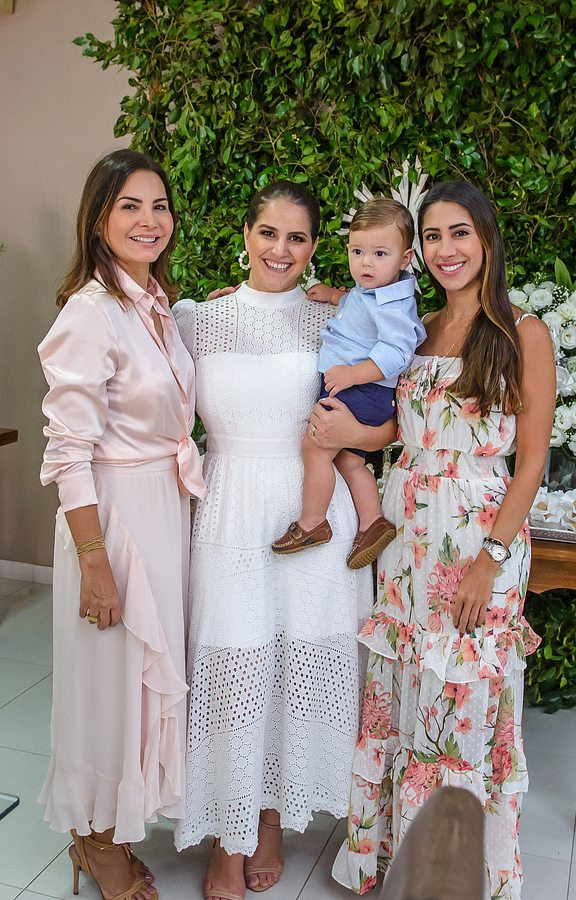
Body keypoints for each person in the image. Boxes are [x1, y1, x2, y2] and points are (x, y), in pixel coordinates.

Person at [330, 180, 556, 897]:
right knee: (403, 691)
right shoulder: (417, 327)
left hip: (478, 541)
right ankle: (396, 860)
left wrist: (489, 561)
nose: (445, 249)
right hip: (407, 541)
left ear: (486, 238)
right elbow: (397, 432)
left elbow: (532, 462)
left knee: (460, 699)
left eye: (459, 232)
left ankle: (456, 872)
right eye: (431, 236)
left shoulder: (521, 333)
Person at [172, 181, 385, 900]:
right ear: (245, 234)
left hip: (312, 512)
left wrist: (358, 434)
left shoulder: (339, 320)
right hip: (230, 508)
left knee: (295, 667)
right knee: (235, 665)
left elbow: (386, 413)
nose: (280, 249)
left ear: (315, 247)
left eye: (297, 238)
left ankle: (268, 820)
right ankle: (227, 833)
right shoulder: (197, 319)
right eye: (268, 232)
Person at [38, 149, 205, 900]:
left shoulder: (155, 305)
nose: (149, 220)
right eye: (130, 205)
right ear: (99, 219)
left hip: (161, 510)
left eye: (159, 205)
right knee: (105, 685)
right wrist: (95, 562)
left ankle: (116, 826)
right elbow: (68, 452)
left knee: (137, 686)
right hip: (111, 519)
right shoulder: (90, 311)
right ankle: (94, 840)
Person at [272, 198, 425, 569]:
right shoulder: (375, 292)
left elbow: (397, 353)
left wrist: (353, 375)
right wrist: (335, 296)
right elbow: (361, 309)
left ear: (405, 259)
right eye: (358, 252)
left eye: (379, 253)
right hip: (363, 390)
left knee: (315, 447)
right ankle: (372, 522)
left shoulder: (393, 305)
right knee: (348, 460)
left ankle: (312, 523)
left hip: (361, 388)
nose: (366, 262)